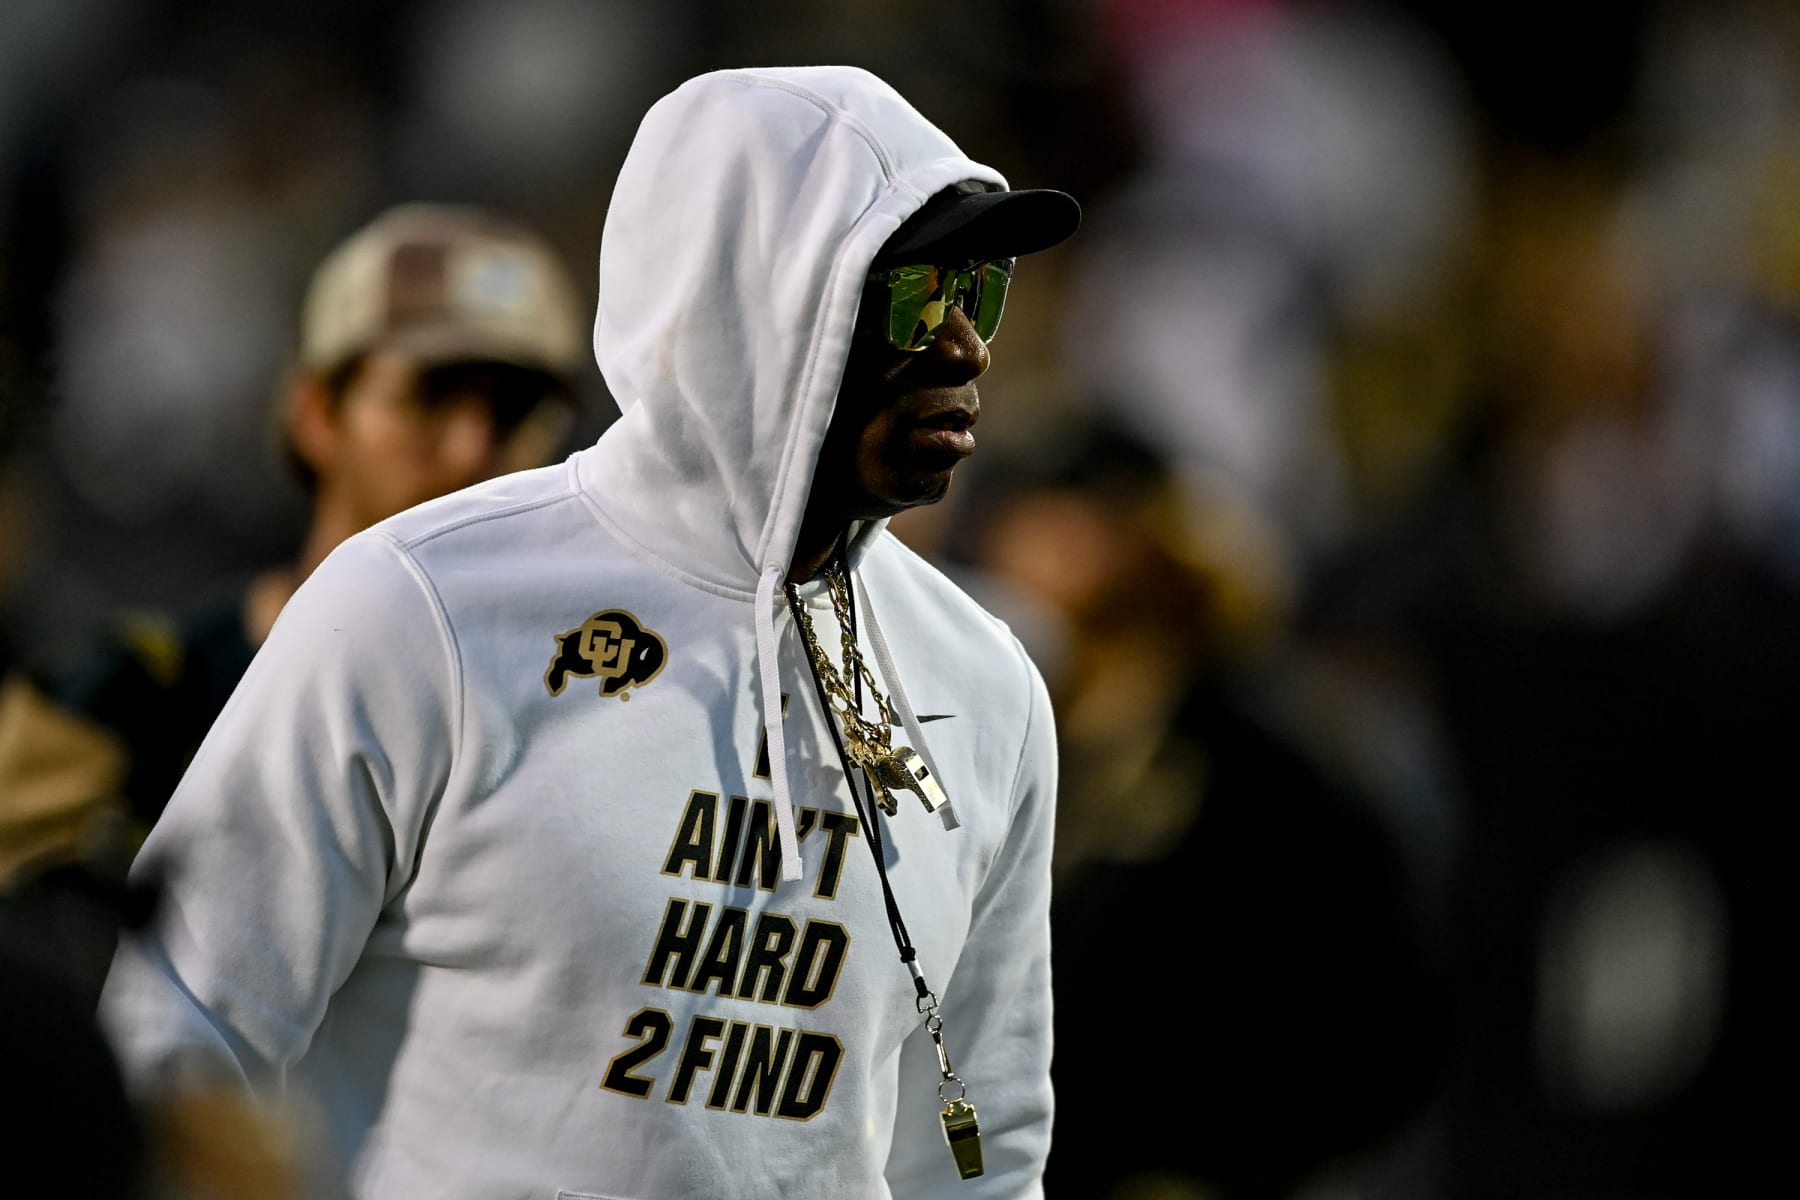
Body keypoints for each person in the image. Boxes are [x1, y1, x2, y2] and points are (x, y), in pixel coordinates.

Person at [99, 65, 1078, 1200]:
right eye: (915, 296)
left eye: (980, 290)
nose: (966, 350)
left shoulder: (985, 681)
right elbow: (178, 1031)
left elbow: (984, 1149)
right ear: (750, 297)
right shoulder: (425, 607)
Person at [0, 202, 587, 1004]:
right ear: (316, 413)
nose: (470, 451)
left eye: (518, 413)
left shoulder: (586, 722)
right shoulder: (120, 707)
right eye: (431, 396)